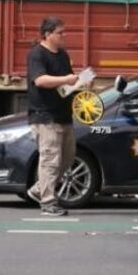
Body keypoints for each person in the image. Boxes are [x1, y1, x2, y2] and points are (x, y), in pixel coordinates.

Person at [25, 17, 80, 217]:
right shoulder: (37, 54)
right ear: (48, 34)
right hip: (45, 115)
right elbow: (40, 80)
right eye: (60, 33)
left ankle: (39, 189)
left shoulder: (63, 55)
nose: (64, 36)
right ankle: (48, 202)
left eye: (64, 32)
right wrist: (66, 79)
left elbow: (67, 84)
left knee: (67, 158)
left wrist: (79, 83)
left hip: (64, 114)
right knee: (50, 159)